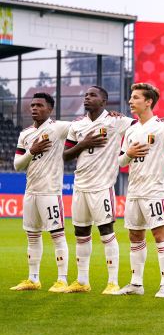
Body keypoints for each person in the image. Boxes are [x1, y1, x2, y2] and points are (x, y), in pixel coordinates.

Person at [62, 86, 134, 294]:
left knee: (106, 232)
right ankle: (82, 281)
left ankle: (113, 282)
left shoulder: (115, 121)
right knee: (81, 232)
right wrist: (84, 143)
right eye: (86, 95)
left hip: (102, 187)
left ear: (104, 101)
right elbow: (65, 155)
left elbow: (141, 126)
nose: (87, 97)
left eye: (93, 95)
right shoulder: (77, 125)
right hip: (80, 187)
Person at [114, 83, 164, 297]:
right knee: (135, 235)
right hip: (134, 191)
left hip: (154, 191)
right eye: (131, 98)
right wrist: (130, 152)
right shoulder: (131, 129)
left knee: (160, 235)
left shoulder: (162, 127)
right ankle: (136, 284)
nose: (131, 101)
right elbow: (121, 161)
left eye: (135, 98)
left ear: (148, 101)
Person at [10, 93, 70, 292]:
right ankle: (33, 278)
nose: (34, 108)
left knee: (57, 235)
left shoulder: (58, 128)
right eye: (32, 105)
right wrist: (32, 150)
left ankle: (62, 280)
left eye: (39, 105)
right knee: (32, 236)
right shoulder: (25, 134)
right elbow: (18, 165)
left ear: (50, 109)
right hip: (31, 192)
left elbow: (84, 125)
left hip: (50, 192)